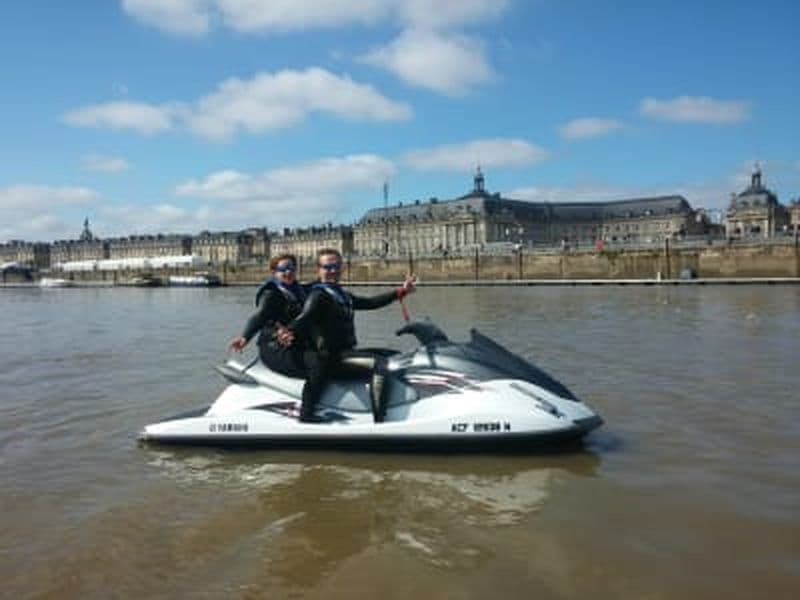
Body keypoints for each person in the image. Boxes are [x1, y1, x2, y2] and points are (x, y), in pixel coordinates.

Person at [277, 248, 416, 423]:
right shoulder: (318, 295)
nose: (333, 270)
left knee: (394, 355)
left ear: (342, 267)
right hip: (331, 358)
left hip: (346, 353)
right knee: (381, 365)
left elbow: (370, 303)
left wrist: (400, 292)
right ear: (318, 270)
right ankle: (380, 420)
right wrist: (288, 331)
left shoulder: (341, 295)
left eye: (336, 266)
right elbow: (306, 316)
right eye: (327, 267)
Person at [228, 254, 307, 377]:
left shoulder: (299, 290)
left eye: (292, 268)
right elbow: (260, 316)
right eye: (284, 269)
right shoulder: (271, 293)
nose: (288, 272)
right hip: (274, 344)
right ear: (274, 272)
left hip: (294, 340)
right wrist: (245, 337)